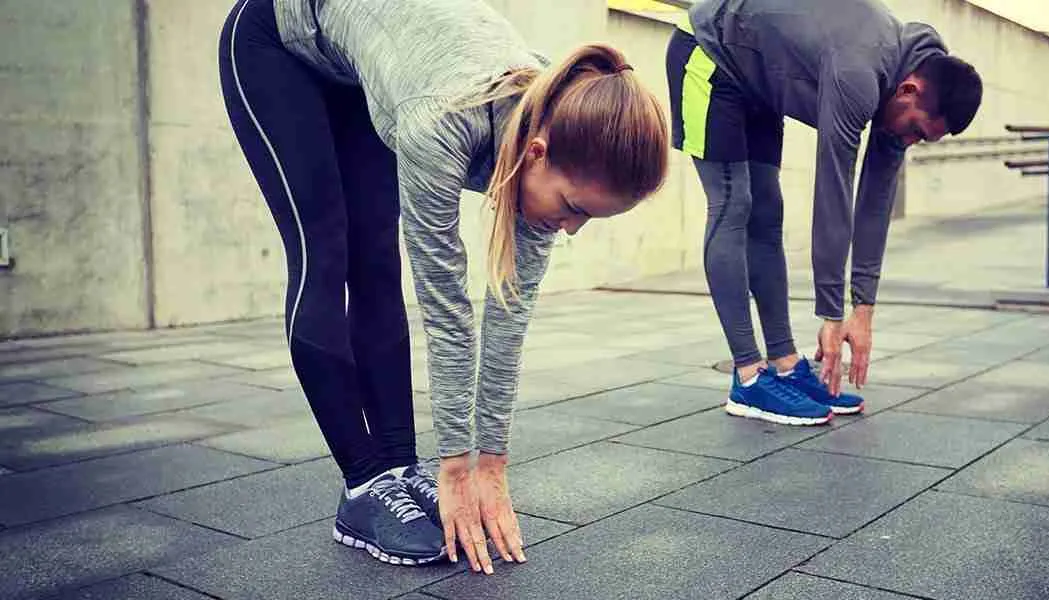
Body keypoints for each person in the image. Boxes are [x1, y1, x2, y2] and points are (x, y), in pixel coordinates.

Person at [218, 0, 668, 574]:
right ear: (536, 154)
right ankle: (362, 485)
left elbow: (508, 316)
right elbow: (447, 308)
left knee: (377, 257)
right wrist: (456, 465)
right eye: (574, 208)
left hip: (361, 62)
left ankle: (400, 467)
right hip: (274, 40)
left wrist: (492, 466)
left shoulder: (561, 121)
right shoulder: (441, 120)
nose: (571, 229)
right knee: (325, 248)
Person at [665, 0, 982, 425]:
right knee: (733, 202)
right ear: (910, 91)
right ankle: (747, 378)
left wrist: (863, 309)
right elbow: (834, 193)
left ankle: (783, 362)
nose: (909, 141)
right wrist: (832, 314)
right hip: (709, 51)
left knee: (768, 211)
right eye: (915, 131)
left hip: (757, 80)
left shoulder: (917, 72)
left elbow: (874, 203)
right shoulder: (858, 74)